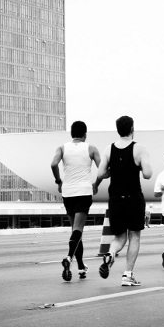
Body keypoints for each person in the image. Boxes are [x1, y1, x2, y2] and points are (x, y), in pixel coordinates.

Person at [96, 116, 152, 286]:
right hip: (134, 198)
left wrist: (112, 171)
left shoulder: (109, 149)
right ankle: (127, 275)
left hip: (115, 199)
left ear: (117, 129)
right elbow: (148, 174)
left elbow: (100, 174)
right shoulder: (139, 149)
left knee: (119, 238)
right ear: (132, 129)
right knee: (134, 236)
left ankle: (110, 254)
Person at [50, 120, 102, 281]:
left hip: (68, 192)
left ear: (71, 134)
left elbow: (53, 164)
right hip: (84, 191)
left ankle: (80, 266)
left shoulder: (62, 148)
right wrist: (96, 184)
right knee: (78, 230)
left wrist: (59, 181)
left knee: (75, 230)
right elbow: (103, 169)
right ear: (85, 134)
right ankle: (68, 258)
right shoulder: (91, 148)